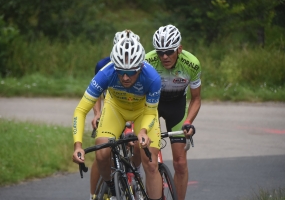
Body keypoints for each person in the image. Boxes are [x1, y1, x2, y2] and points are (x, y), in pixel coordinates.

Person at [72, 35, 163, 200]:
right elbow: (80, 110)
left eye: (130, 72)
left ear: (141, 67)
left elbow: (151, 112)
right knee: (101, 153)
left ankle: (136, 175)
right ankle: (112, 188)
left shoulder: (153, 78)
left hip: (143, 112)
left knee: (151, 164)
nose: (125, 77)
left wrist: (142, 131)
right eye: (120, 71)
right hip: (116, 110)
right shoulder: (105, 73)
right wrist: (77, 145)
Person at [145, 24, 201, 200]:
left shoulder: (192, 64)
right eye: (160, 52)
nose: (164, 56)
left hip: (177, 106)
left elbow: (196, 99)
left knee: (180, 163)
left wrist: (188, 121)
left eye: (169, 51)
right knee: (151, 163)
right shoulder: (147, 61)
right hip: (152, 105)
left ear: (179, 49)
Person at [89, 30, 141, 199]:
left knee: (133, 143)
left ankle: (130, 179)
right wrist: (97, 114)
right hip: (111, 111)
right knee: (103, 153)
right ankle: (93, 195)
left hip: (133, 110)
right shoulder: (103, 65)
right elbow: (96, 93)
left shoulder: (141, 66)